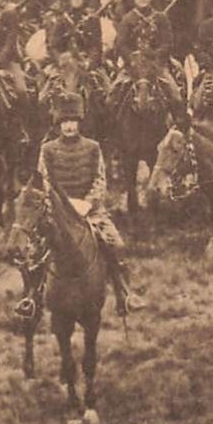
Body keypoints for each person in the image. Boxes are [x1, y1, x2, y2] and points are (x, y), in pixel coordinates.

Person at [34, 91, 146, 316]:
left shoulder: (93, 147)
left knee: (115, 244)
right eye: (64, 122)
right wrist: (61, 206)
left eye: (73, 122)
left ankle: (125, 294)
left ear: (79, 123)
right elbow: (44, 181)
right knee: (34, 249)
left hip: (90, 211)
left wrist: (87, 203)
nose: (69, 127)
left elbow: (100, 179)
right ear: (58, 124)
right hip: (58, 212)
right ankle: (31, 298)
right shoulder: (47, 150)